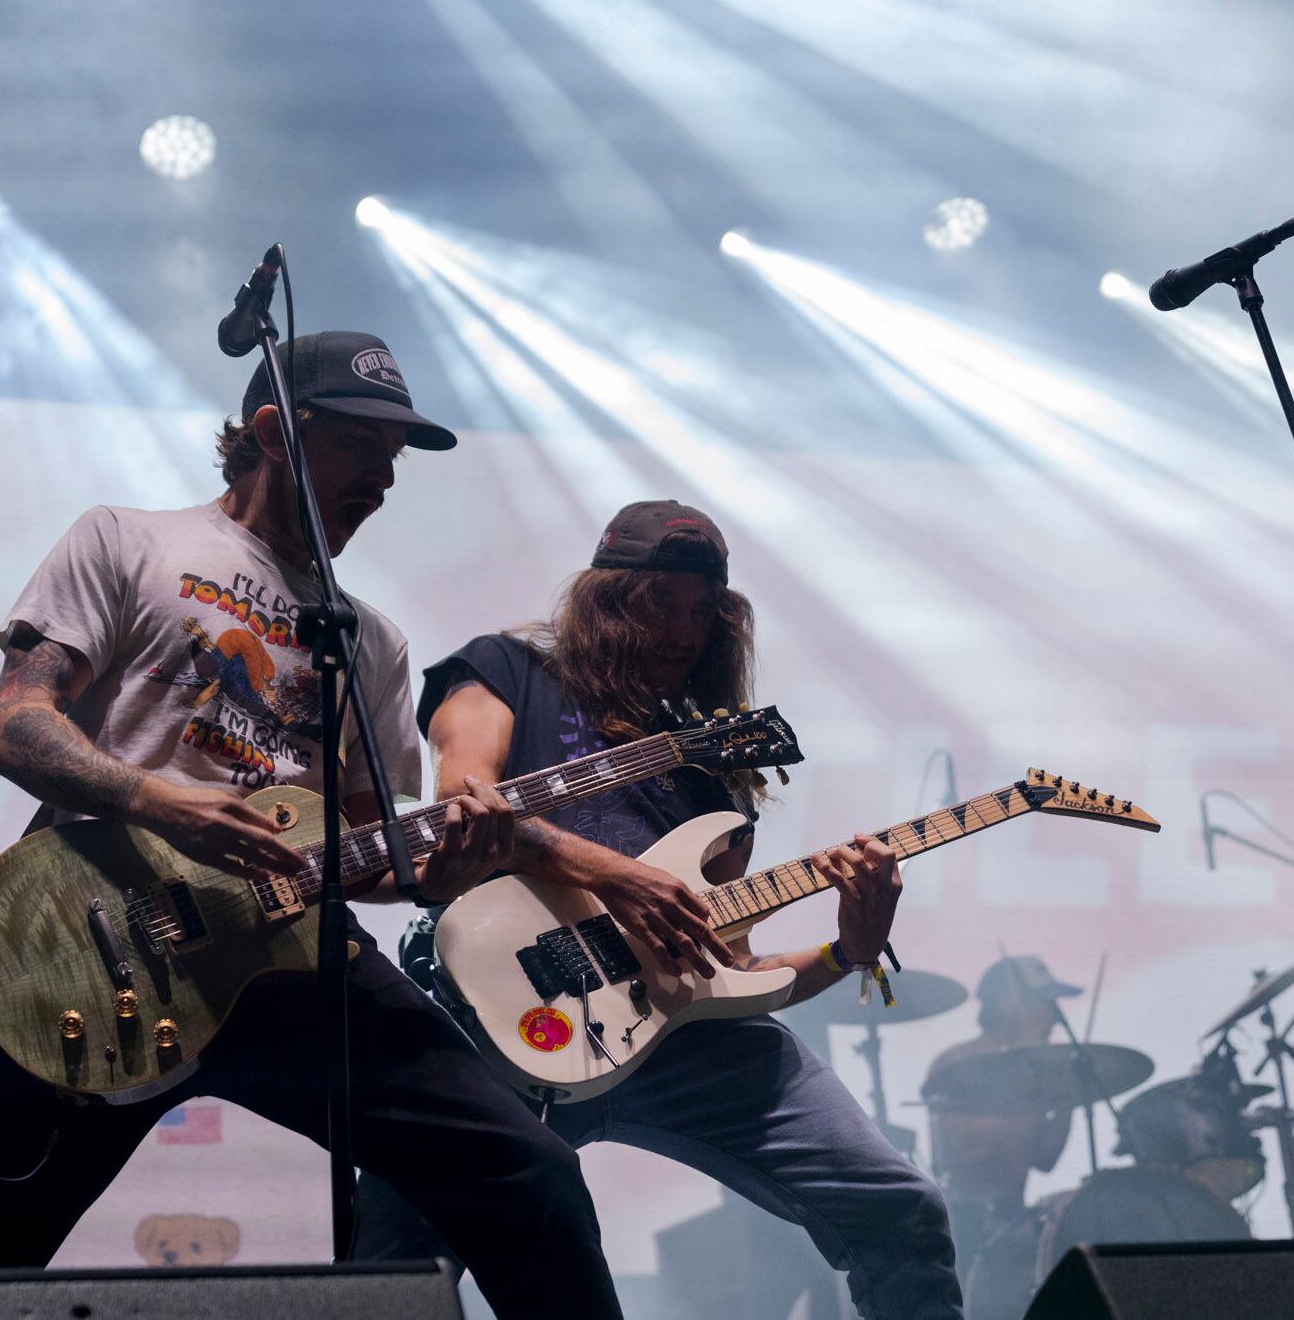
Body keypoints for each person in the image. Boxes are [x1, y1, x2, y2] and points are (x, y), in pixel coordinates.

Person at [0, 331, 624, 1320]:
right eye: (364, 447)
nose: (385, 479)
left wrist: (449, 867)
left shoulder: (369, 641)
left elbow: (373, 853)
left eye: (396, 460)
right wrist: (155, 796)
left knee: (523, 1174)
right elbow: (14, 727)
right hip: (99, 947)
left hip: (295, 959)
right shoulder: (128, 541)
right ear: (274, 432)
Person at [354, 500, 963, 1320]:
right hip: (492, 1015)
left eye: (702, 612)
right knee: (390, 1272)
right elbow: (469, 799)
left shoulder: (712, 772)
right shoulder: (504, 671)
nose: (683, 632)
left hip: (677, 1040)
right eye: (659, 605)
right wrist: (616, 876)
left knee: (900, 1205)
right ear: (607, 602)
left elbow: (732, 972)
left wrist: (850, 951)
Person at [921, 954, 1080, 1317]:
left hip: (1013, 1216)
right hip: (961, 1221)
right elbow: (962, 1150)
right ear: (1010, 1002)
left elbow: (1045, 1159)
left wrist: (1067, 1099)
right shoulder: (958, 1063)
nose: (1055, 1014)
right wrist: (1026, 1104)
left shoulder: (1035, 1073)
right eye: (1046, 1001)